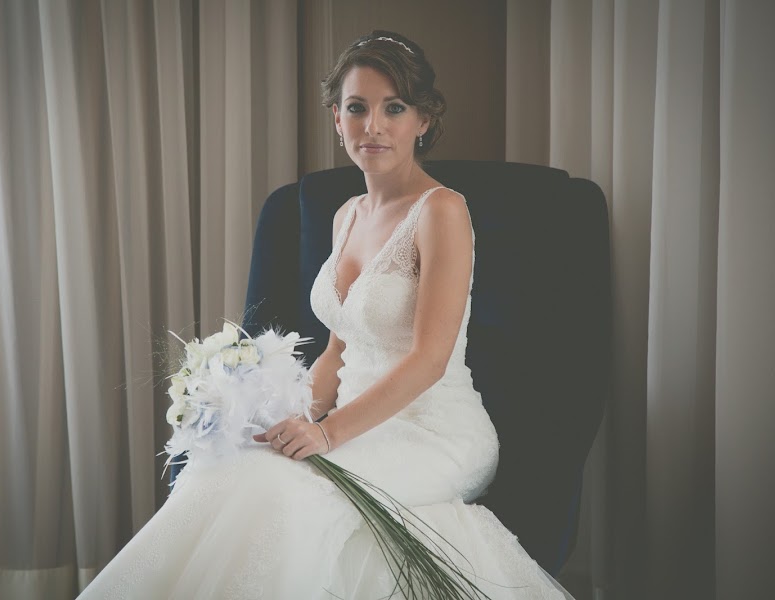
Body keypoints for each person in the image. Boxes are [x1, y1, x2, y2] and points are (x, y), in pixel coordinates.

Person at [78, 30, 574, 599]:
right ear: (337, 119)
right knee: (230, 468)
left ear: (423, 119)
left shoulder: (442, 211)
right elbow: (339, 351)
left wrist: (325, 432)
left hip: (435, 431)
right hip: (351, 423)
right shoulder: (346, 216)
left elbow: (429, 360)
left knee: (288, 493)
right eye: (357, 108)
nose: (373, 126)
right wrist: (287, 416)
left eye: (394, 108)